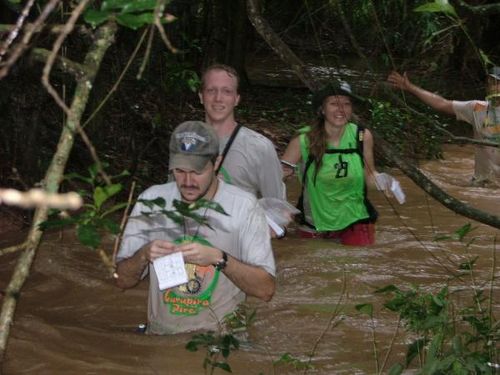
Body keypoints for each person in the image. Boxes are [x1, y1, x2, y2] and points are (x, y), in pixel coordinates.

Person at [115, 121, 276, 335]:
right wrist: (143, 255)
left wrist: (219, 258)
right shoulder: (151, 200)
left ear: (216, 162)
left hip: (220, 339)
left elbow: (266, 290)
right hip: (161, 336)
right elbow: (122, 281)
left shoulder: (244, 207)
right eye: (180, 171)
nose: (188, 181)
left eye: (197, 171)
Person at [281, 82, 381, 246]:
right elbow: (279, 177)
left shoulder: (362, 136)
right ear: (322, 109)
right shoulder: (303, 139)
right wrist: (279, 207)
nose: (341, 109)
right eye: (334, 104)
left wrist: (382, 181)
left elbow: (369, 176)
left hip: (355, 220)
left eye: (346, 104)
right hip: (314, 222)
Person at [387, 67, 500, 187]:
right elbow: (442, 104)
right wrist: (410, 87)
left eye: (498, 83)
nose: (493, 87)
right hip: (482, 184)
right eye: (490, 83)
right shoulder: (477, 108)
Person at [199, 64, 285, 199]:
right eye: (211, 90)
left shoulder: (260, 148)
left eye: (227, 91)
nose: (218, 98)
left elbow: (278, 208)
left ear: (236, 99)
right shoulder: (185, 141)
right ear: (201, 96)